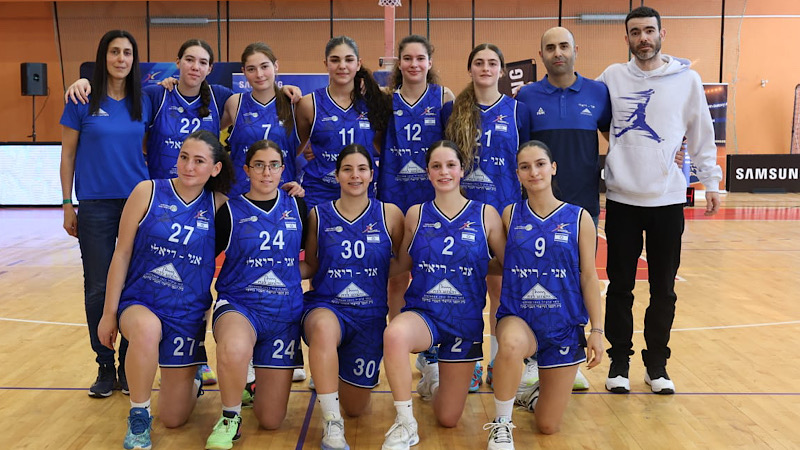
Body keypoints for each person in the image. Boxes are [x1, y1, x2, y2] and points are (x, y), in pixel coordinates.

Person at [599, 6, 722, 395]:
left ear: (662, 34)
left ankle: (656, 366)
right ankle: (619, 362)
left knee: (663, 289)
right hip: (621, 199)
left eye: (649, 31)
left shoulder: (687, 80)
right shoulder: (611, 77)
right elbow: (594, 118)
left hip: (667, 201)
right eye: (635, 32)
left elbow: (701, 134)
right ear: (627, 39)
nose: (643, 38)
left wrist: (711, 182)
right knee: (619, 287)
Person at [96, 130, 233, 449]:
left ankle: (192, 376)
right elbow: (122, 253)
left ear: (215, 168)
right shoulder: (147, 191)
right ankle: (139, 416)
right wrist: (108, 313)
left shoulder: (221, 206)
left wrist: (291, 194)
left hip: (187, 315)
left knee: (173, 417)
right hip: (141, 302)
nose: (188, 166)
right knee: (146, 329)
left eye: (199, 161)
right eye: (184, 157)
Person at [382, 140, 506, 450]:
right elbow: (403, 263)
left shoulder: (486, 214)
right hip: (424, 314)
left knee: (448, 418)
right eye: (436, 166)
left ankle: (434, 379)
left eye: (450, 165)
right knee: (394, 335)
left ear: (462, 170)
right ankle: (405, 421)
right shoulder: (416, 214)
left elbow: (507, 264)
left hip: (464, 323)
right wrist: (355, 267)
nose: (444, 172)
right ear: (427, 172)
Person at [484, 140, 604, 450]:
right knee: (510, 344)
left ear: (553, 168)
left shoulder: (579, 217)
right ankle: (501, 423)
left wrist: (597, 331)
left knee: (548, 426)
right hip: (520, 317)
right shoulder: (510, 214)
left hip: (563, 325)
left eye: (539, 164)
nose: (533, 172)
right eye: (525, 167)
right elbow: (502, 262)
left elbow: (589, 276)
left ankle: (529, 394)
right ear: (518, 174)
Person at [514, 26, 612, 391]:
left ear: (575, 50)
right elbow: (521, 149)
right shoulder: (527, 96)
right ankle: (530, 360)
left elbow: (618, 138)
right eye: (551, 47)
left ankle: (568, 355)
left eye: (564, 46)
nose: (558, 53)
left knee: (575, 280)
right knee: (534, 281)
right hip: (535, 208)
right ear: (541, 54)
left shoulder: (598, 93)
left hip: (582, 207)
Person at [60, 29, 150, 399]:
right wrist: (66, 203)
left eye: (127, 52)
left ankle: (128, 364)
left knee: (133, 285)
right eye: (114, 52)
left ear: (134, 59)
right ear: (103, 57)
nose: (121, 58)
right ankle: (104, 365)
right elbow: (67, 154)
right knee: (97, 286)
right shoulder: (81, 98)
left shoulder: (144, 100)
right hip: (95, 205)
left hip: (137, 204)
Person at [205, 140, 308, 449]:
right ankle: (230, 418)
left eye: (274, 165)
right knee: (235, 347)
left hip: (283, 314)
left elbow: (313, 262)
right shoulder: (229, 211)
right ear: (247, 170)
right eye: (259, 165)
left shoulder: (298, 207)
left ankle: (249, 385)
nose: (267, 172)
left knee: (271, 419)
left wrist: (285, 276)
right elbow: (203, 261)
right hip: (240, 304)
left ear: (283, 169)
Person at [302, 144, 404, 450]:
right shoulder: (318, 215)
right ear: (337, 176)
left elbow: (403, 261)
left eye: (361, 169)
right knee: (323, 328)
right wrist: (276, 271)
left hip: (369, 316)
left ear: (372, 175)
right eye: (347, 169)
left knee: (357, 408)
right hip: (327, 305)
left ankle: (330, 371)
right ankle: (332, 422)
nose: (355, 175)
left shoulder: (390, 214)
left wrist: (369, 274)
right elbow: (312, 264)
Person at [444, 43, 530, 392]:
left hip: (504, 209)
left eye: (492, 62)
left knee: (498, 289)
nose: (485, 68)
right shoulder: (454, 110)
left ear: (502, 70)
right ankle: (466, 361)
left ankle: (496, 362)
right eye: (478, 62)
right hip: (462, 211)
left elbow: (527, 158)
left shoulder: (518, 110)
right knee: (462, 291)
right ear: (470, 69)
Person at [294, 35, 392, 209]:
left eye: (349, 59)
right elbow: (294, 149)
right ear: (326, 64)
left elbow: (382, 147)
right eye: (335, 60)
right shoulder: (309, 104)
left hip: (361, 191)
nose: (342, 66)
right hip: (319, 193)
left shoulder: (374, 102)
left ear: (358, 64)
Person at [223, 42, 298, 198]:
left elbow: (303, 147)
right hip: (240, 194)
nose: (259, 74)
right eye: (251, 69)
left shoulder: (294, 104)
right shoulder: (235, 102)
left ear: (276, 66)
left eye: (264, 66)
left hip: (282, 193)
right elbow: (207, 127)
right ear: (244, 72)